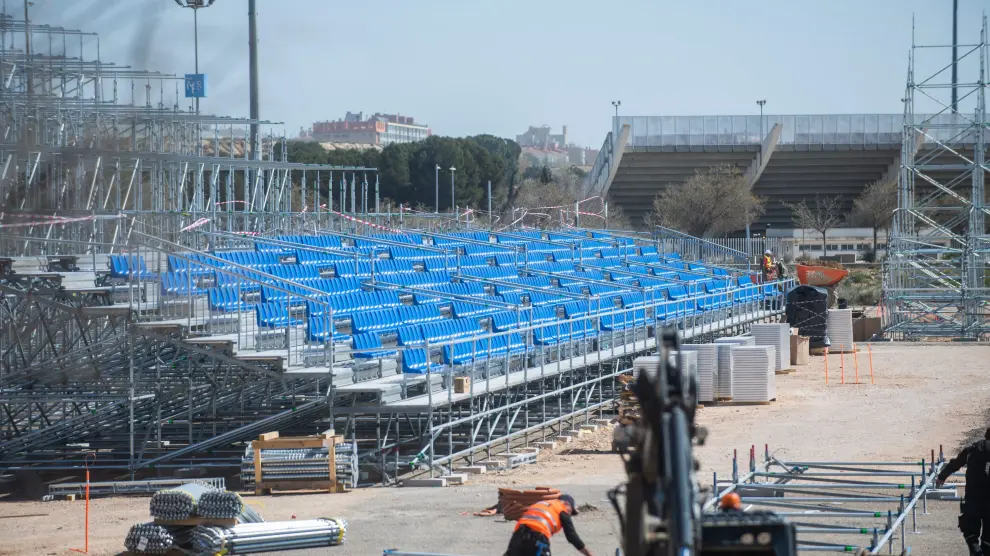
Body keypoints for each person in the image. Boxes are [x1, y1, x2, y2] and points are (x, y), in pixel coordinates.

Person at [935, 428, 990, 556]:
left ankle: (975, 550)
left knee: (970, 533)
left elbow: (956, 463)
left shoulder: (973, 449)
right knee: (988, 539)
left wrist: (942, 476)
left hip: (973, 497)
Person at [506, 494, 593, 556]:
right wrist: (588, 554)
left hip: (518, 534)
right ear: (567, 504)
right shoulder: (561, 509)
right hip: (537, 537)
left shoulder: (541, 504)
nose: (569, 515)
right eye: (571, 511)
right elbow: (571, 536)